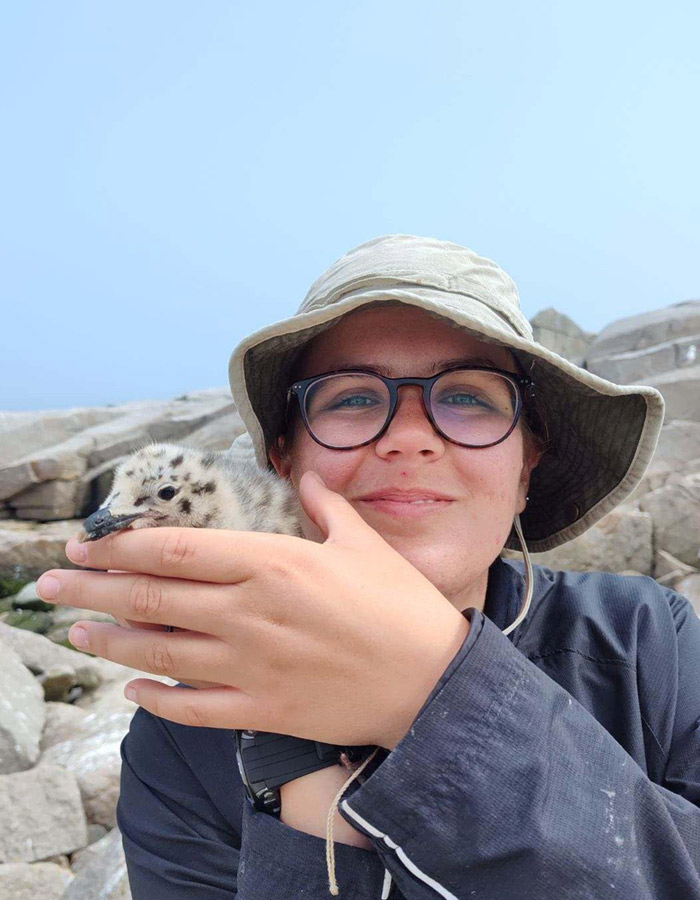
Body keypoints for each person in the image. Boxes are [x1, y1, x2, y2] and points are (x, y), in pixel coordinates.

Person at [37, 235, 700, 899]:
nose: (409, 437)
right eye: (352, 398)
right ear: (284, 461)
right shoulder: (181, 740)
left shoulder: (646, 641)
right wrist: (291, 753)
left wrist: (436, 699)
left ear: (526, 466)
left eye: (469, 397)